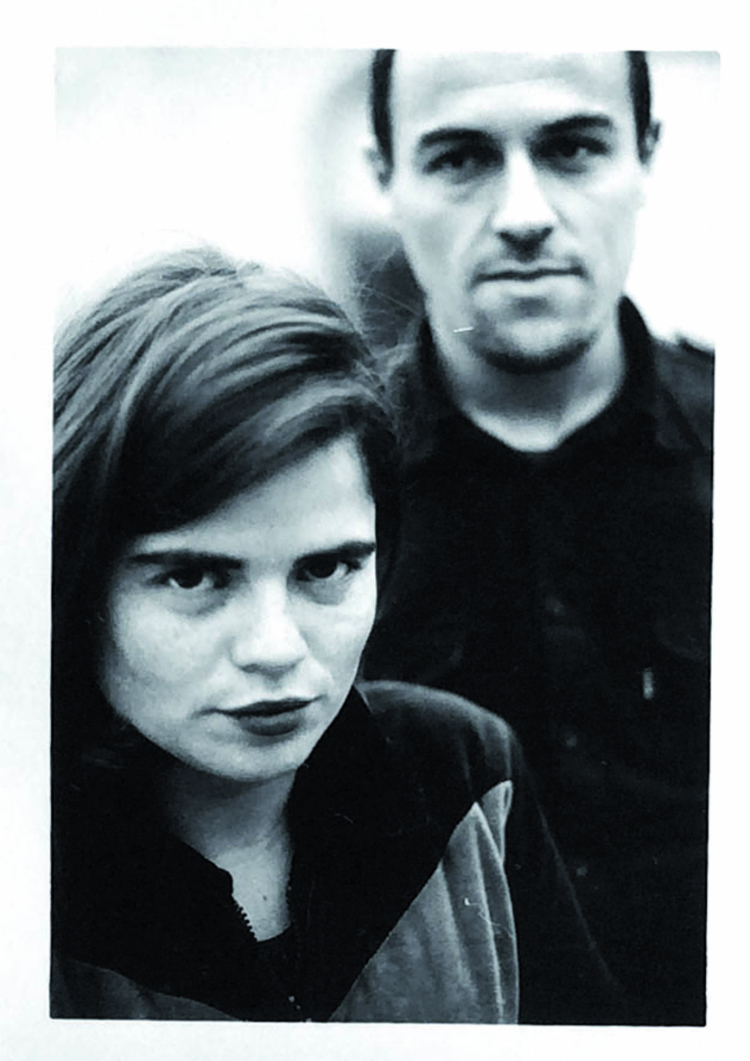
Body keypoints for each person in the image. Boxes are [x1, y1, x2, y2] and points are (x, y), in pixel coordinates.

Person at [51, 246, 621, 1023]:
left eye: (326, 568)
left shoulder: (463, 774)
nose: (276, 647)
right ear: (76, 574)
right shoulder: (30, 871)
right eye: (194, 576)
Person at [362, 51, 713, 1025]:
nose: (523, 214)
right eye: (460, 158)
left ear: (645, 155)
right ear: (386, 175)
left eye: (573, 148)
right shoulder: (315, 489)